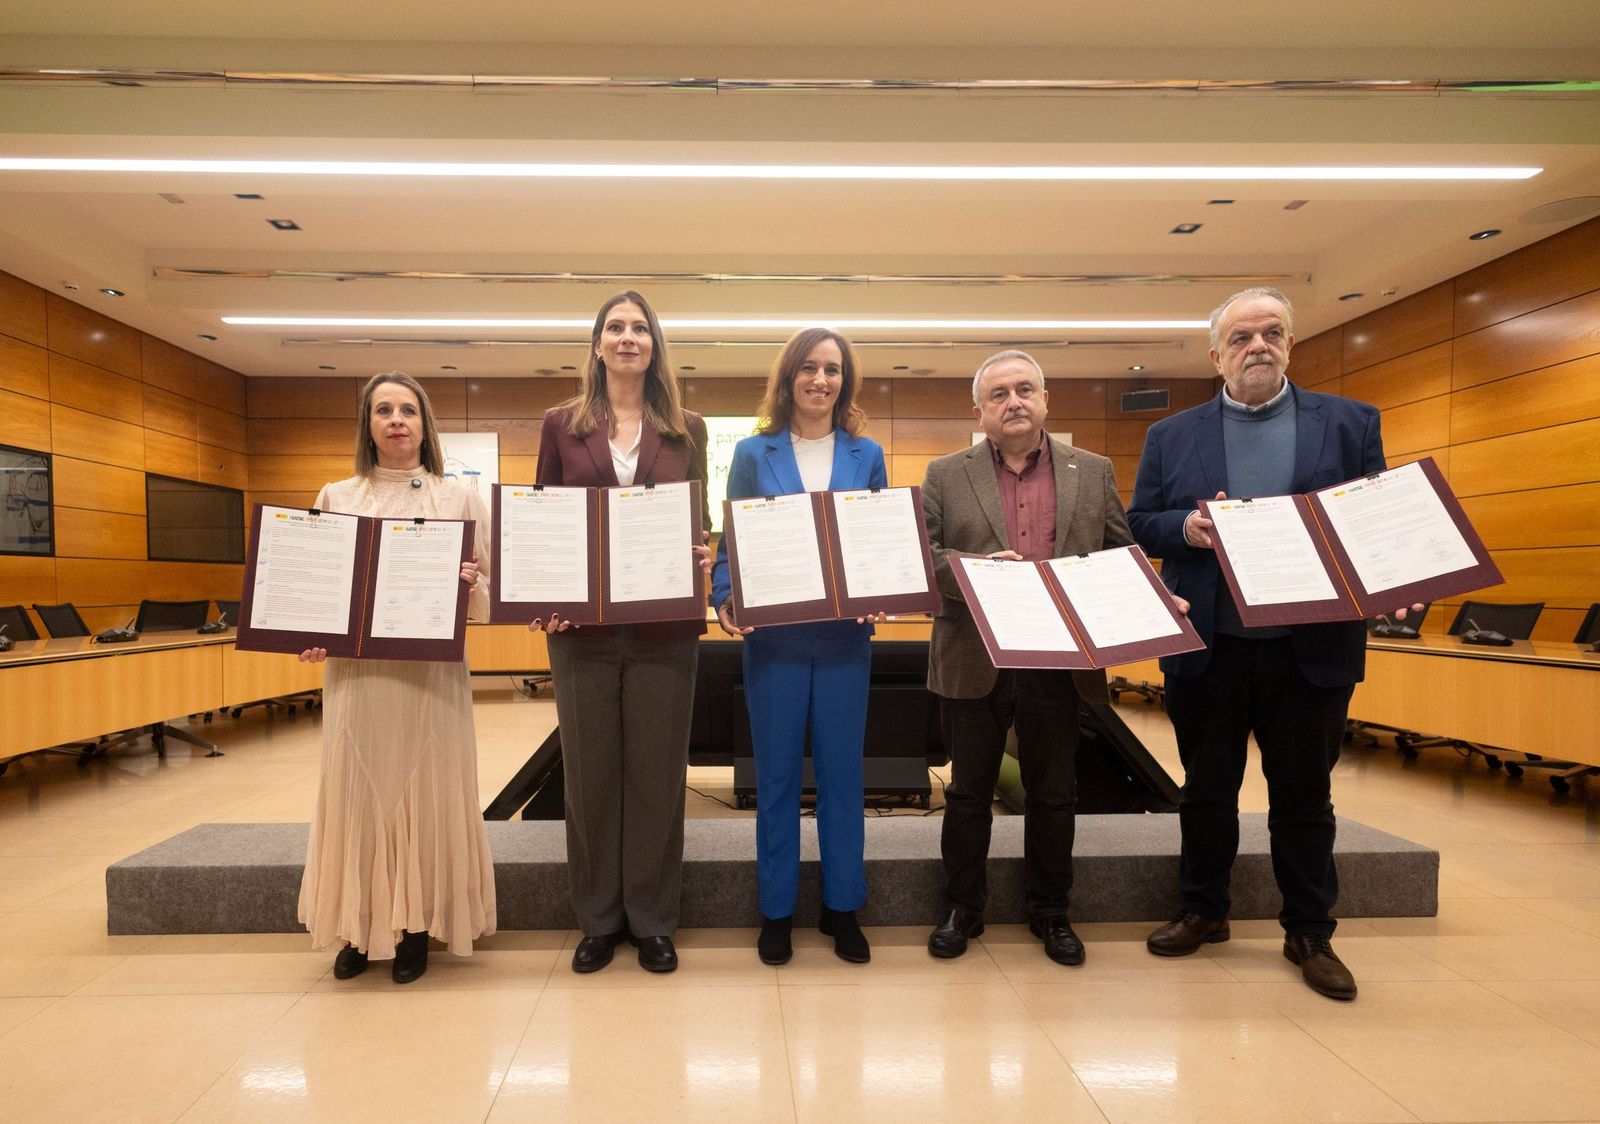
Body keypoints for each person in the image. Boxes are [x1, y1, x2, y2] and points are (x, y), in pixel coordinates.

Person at [1128, 286, 1407, 1001]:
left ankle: (1310, 930)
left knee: (1305, 798)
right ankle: (1202, 910)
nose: (1258, 345)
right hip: (1211, 646)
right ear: (1216, 353)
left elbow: (1375, 523)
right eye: (1242, 336)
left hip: (1309, 652)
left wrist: (1398, 572)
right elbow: (1140, 521)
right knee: (1206, 791)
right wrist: (1182, 530)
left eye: (1272, 333)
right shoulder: (1171, 435)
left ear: (1290, 344)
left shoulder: (1349, 423)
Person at [921, 349, 1134, 967]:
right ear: (979, 409)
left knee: (1054, 793)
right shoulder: (945, 473)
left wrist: (1153, 595)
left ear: (1046, 400)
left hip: (1059, 659)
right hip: (973, 656)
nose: (1012, 402)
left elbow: (1121, 553)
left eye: (1024, 390)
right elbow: (925, 558)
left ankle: (1052, 913)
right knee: (967, 793)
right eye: (998, 394)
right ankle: (963, 909)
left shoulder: (1092, 471)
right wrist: (976, 572)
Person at [532, 290, 711, 974]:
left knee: (657, 776)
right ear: (598, 344)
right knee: (591, 776)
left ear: (654, 344)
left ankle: (654, 918)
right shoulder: (560, 424)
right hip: (581, 629)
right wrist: (543, 594)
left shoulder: (686, 426)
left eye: (640, 327)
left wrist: (705, 552)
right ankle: (599, 919)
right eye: (616, 327)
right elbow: (544, 517)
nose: (628, 336)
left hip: (665, 627)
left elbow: (697, 521)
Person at [297, 371, 496, 985]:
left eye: (408, 409)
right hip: (359, 677)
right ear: (368, 423)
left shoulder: (459, 500)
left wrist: (470, 586)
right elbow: (314, 590)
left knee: (426, 790)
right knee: (359, 793)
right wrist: (305, 632)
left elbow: (489, 602)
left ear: (424, 423)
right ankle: (360, 926)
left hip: (430, 677)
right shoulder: (336, 496)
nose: (396, 420)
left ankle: (414, 926)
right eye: (383, 410)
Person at [710, 327, 886, 966]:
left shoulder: (868, 454)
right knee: (777, 778)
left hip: (844, 641)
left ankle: (843, 908)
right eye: (808, 368)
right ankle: (776, 911)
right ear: (788, 380)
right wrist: (726, 595)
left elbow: (874, 539)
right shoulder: (755, 454)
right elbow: (731, 536)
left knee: (844, 777)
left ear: (846, 381)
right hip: (776, 641)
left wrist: (882, 585)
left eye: (832, 369)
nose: (820, 380)